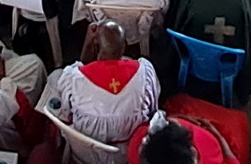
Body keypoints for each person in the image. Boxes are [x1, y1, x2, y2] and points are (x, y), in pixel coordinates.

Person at [41, 20, 161, 153]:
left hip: (84, 150)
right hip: (128, 152)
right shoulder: (144, 72)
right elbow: (153, 109)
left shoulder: (74, 77)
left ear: (96, 47)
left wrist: (87, 46)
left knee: (54, 77)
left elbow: (66, 112)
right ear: (124, 47)